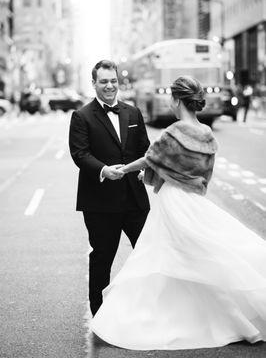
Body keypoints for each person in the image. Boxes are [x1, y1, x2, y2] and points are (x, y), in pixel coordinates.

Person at [90, 75, 266, 350]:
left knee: (164, 256)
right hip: (194, 200)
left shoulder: (174, 132)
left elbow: (151, 160)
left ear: (176, 100)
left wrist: (123, 169)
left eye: (171, 99)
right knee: (200, 256)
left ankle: (168, 315)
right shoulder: (206, 133)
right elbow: (203, 174)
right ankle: (230, 314)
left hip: (172, 202)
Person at [69, 60, 150, 316]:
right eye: (103, 81)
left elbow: (144, 149)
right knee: (102, 258)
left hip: (135, 200)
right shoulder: (81, 116)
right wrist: (104, 170)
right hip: (100, 202)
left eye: (113, 80)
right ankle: (100, 314)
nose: (109, 86)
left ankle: (151, 308)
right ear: (94, 84)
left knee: (149, 254)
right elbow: (80, 154)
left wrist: (146, 169)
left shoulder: (133, 113)